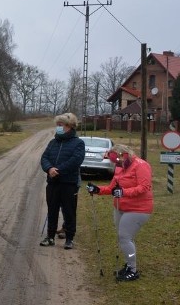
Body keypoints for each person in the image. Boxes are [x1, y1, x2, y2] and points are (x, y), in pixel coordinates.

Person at [87, 144, 153, 281]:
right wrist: (97, 189)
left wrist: (124, 192)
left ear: (124, 154)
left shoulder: (141, 165)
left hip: (138, 208)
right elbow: (112, 188)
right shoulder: (119, 168)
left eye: (118, 160)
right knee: (124, 238)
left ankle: (133, 270)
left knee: (124, 237)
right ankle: (129, 265)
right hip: (120, 207)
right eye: (114, 162)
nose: (117, 164)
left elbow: (144, 187)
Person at [39, 112, 84, 249]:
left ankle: (69, 238)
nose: (58, 127)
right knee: (52, 211)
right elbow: (44, 158)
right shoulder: (53, 142)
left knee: (69, 212)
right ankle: (50, 236)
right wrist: (49, 169)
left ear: (69, 126)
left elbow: (76, 160)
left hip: (68, 184)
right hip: (52, 183)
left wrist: (57, 170)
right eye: (57, 125)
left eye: (61, 125)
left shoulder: (78, 143)